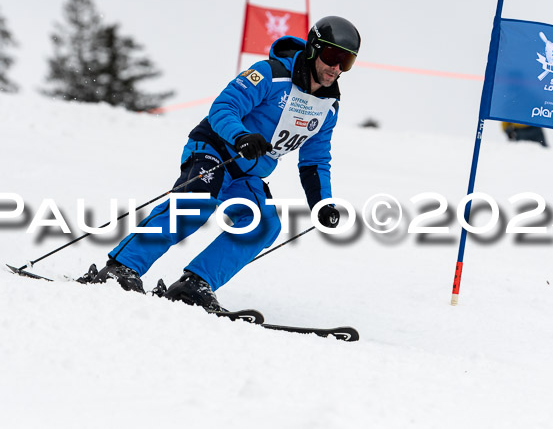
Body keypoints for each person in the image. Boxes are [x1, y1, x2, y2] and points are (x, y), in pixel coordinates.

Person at [77, 16, 361, 312]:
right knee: (196, 203)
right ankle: (121, 267)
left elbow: (315, 161)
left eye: (347, 61)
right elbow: (224, 107)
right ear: (314, 49)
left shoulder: (328, 108)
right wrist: (241, 137)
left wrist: (322, 203)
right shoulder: (270, 74)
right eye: (331, 56)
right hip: (216, 150)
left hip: (247, 175)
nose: (336, 67)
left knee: (264, 225)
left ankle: (195, 284)